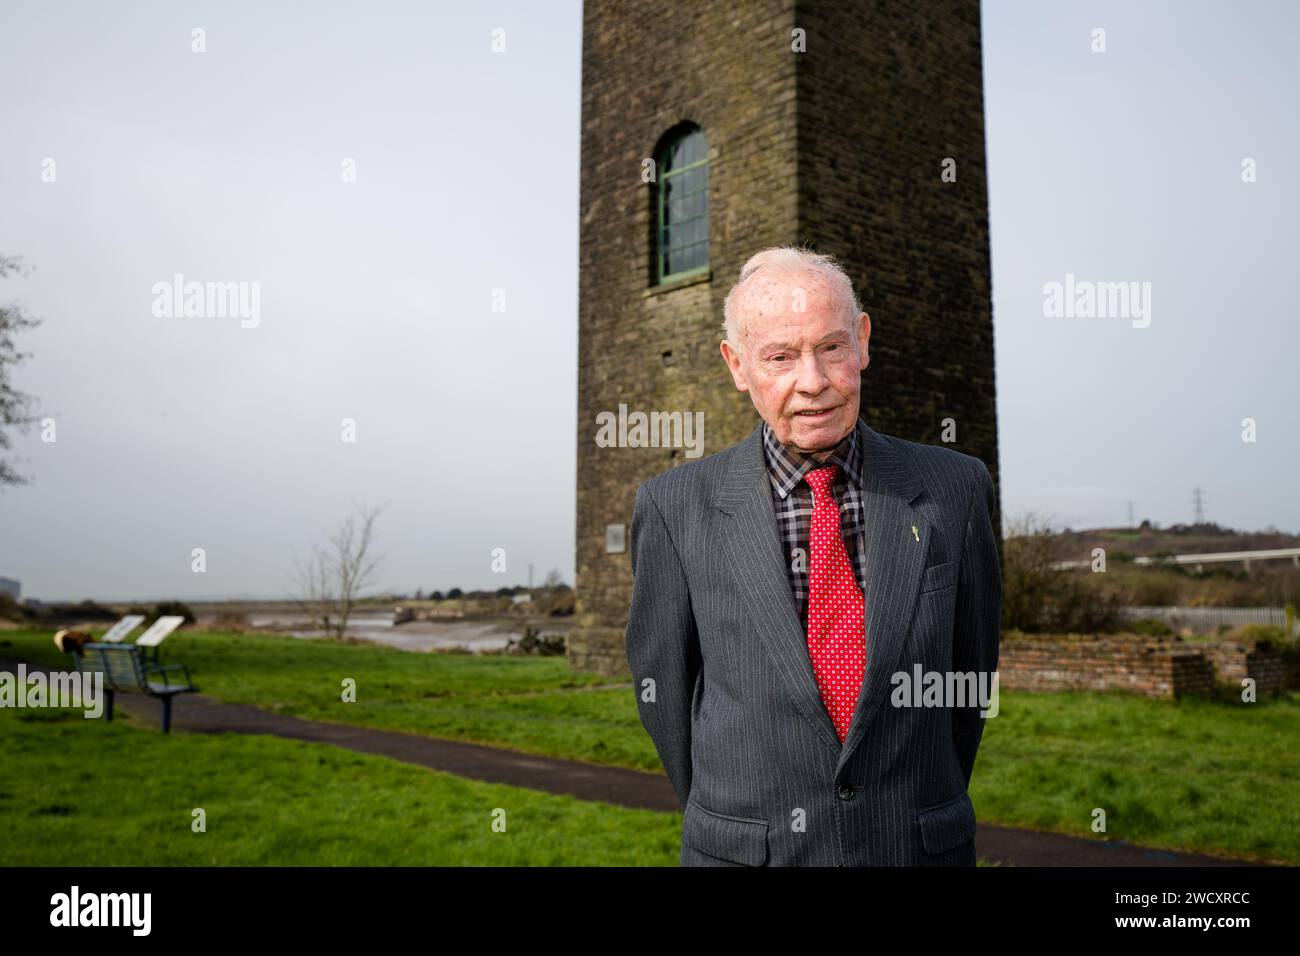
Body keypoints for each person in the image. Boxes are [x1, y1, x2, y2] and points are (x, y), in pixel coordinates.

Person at [624, 246, 1002, 866]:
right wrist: (730, 820)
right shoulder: (674, 508)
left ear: (863, 341)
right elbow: (662, 691)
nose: (813, 382)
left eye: (831, 348)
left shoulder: (954, 489)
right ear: (737, 366)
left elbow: (966, 683)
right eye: (779, 357)